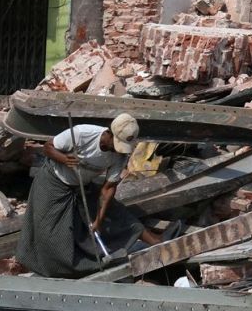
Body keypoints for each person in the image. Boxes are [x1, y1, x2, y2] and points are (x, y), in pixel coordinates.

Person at [17, 114, 161, 277]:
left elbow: (108, 189)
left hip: (82, 185)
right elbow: (48, 147)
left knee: (116, 214)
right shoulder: (82, 134)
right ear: (109, 133)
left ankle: (157, 243)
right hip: (54, 182)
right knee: (50, 231)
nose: (117, 150)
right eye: (116, 144)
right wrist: (64, 159)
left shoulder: (120, 155)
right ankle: (54, 270)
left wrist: (99, 219)